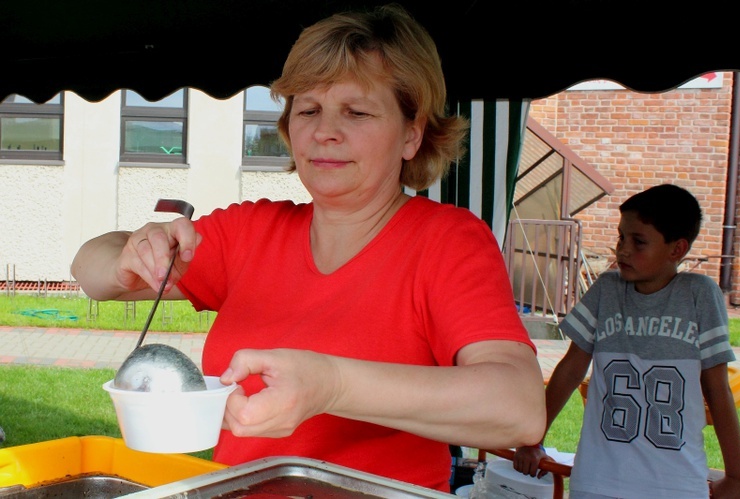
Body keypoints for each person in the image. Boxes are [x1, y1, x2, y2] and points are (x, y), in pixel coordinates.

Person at [71, 3, 545, 492]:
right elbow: (89, 269)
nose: (325, 132)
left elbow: (519, 407)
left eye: (356, 112)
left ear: (412, 134)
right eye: (308, 110)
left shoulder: (445, 241)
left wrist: (331, 386)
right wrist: (130, 257)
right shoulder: (253, 230)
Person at [512, 183, 740, 498]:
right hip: (597, 479)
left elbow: (717, 387)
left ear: (677, 249)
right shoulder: (607, 290)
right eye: (622, 237)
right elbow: (570, 369)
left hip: (676, 484)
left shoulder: (700, 295)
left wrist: (737, 476)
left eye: (638, 242)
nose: (622, 249)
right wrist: (533, 440)